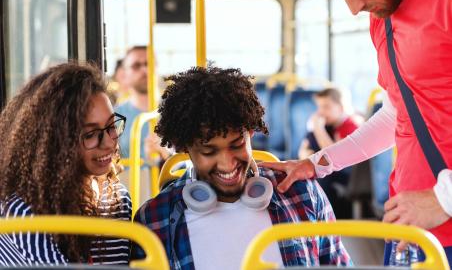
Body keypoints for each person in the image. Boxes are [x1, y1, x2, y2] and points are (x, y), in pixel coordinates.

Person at [261, 0, 452, 265]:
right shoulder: (383, 13)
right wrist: (318, 163)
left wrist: (444, 199)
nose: (354, 7)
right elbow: (397, 113)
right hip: (410, 225)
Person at [133, 66, 351, 270]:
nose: (228, 163)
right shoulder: (154, 220)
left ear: (251, 134)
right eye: (209, 151)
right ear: (185, 147)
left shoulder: (301, 193)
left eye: (237, 145)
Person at [0, 63, 131, 266]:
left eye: (112, 126)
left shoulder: (117, 199)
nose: (109, 142)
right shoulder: (24, 212)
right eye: (90, 134)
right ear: (56, 142)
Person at [115, 46, 172, 203]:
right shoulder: (116, 117)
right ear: (124, 74)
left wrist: (166, 155)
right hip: (131, 196)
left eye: (148, 64)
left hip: (169, 195)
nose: (144, 70)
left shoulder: (175, 112)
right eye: (136, 66)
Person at [298, 87, 362, 218]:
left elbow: (334, 157)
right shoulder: (332, 125)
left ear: (341, 107)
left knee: (320, 174)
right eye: (319, 107)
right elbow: (303, 148)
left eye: (326, 107)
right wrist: (304, 154)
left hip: (352, 174)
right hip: (337, 170)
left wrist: (318, 127)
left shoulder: (350, 125)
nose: (321, 112)